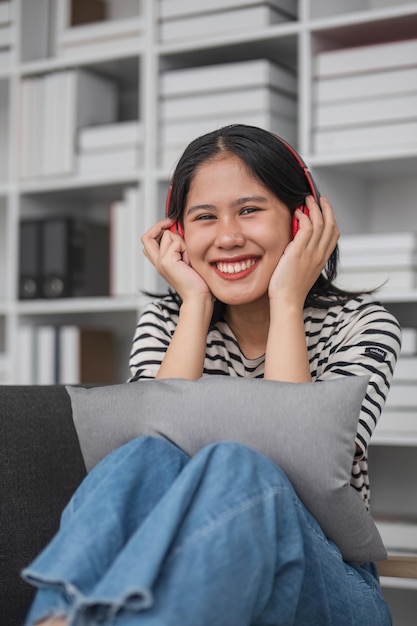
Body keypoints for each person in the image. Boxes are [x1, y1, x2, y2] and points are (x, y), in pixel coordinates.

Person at [23, 124, 401, 626]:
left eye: (249, 210)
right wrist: (195, 304)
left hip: (326, 577)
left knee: (240, 465)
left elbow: (296, 467)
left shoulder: (364, 326)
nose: (227, 237)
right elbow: (151, 453)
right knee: (146, 453)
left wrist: (286, 300)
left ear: (302, 218)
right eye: (204, 217)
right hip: (170, 573)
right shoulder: (167, 321)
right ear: (178, 233)